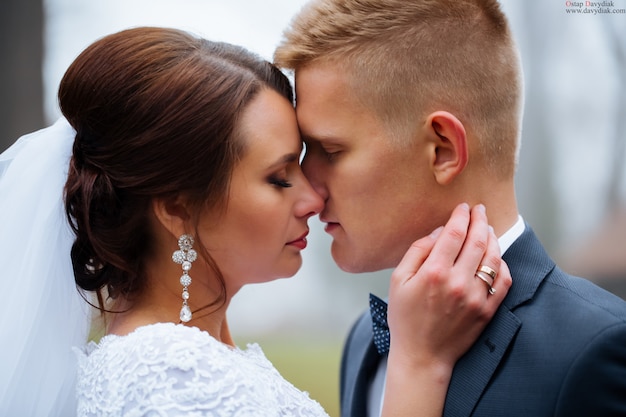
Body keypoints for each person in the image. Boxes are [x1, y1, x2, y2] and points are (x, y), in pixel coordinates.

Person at [0, 26, 511, 416]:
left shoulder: (191, 360)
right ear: (177, 207)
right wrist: (420, 366)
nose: (313, 196)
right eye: (277, 176)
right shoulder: (170, 376)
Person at [273, 0, 626, 416]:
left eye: (330, 151)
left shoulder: (595, 347)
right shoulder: (364, 340)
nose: (309, 190)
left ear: (442, 150)